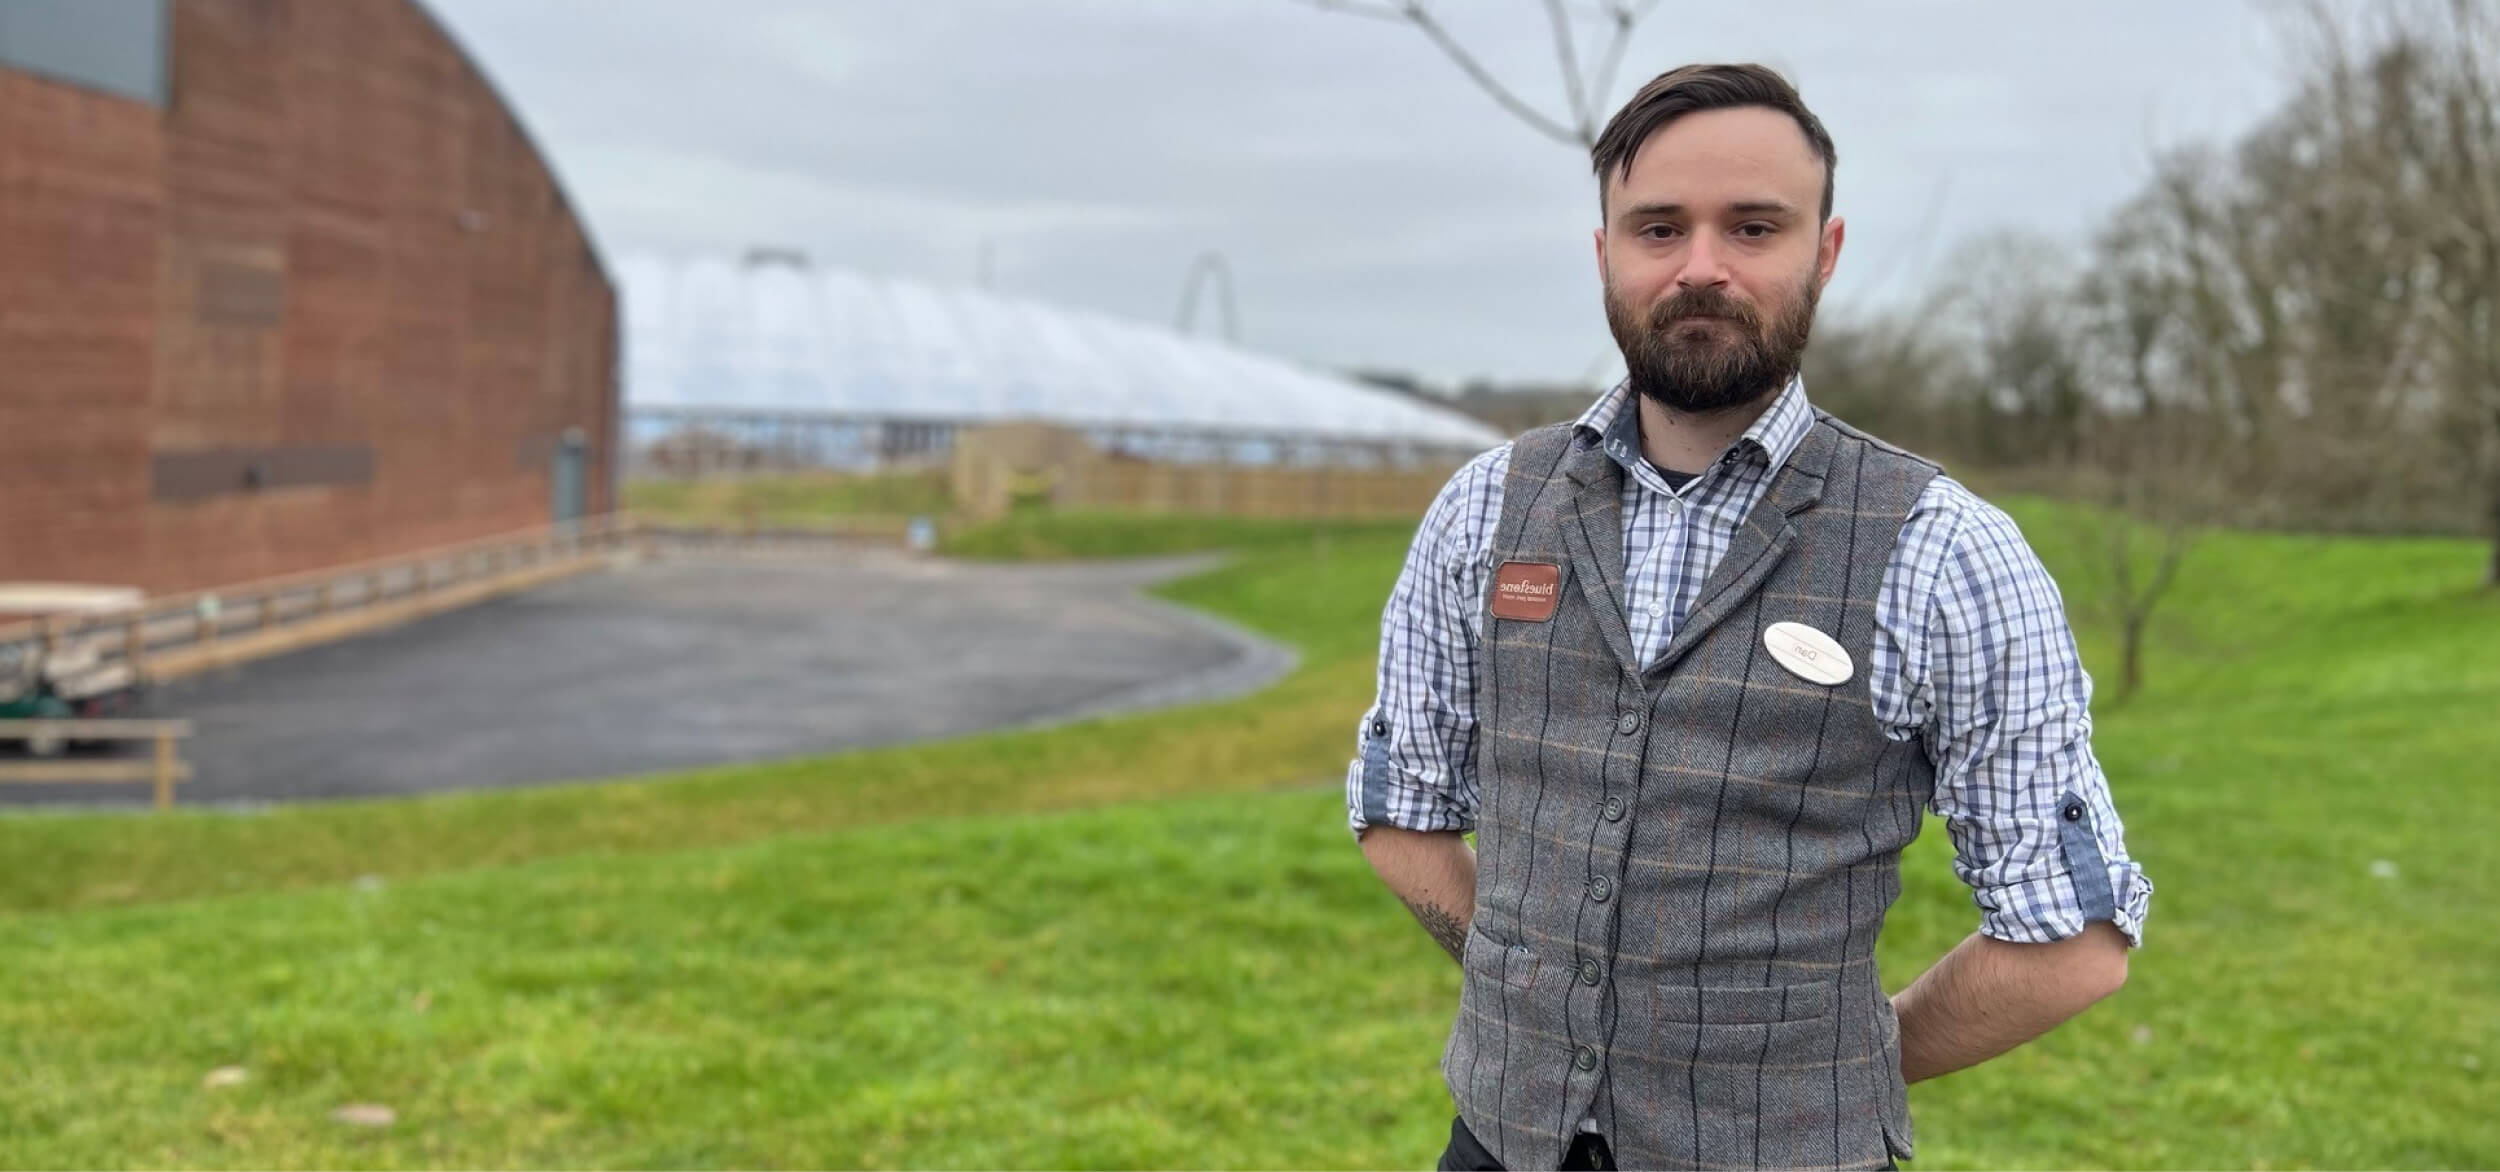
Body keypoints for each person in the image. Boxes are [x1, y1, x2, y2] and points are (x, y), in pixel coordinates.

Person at [1346, 63, 2152, 1172]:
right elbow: (1402, 811)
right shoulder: (1483, 508)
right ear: (1604, 255)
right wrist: (1539, 999)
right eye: (1658, 227)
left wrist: (1844, 1059)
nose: (1702, 267)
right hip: (1497, 1142)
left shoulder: (1949, 551)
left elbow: (2073, 939)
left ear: (1822, 251)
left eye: (1753, 226)